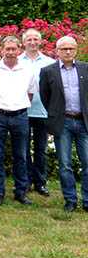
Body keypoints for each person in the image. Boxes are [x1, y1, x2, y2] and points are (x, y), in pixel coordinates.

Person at [0, 35, 37, 206]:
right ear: (1, 50)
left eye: (14, 49)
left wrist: (17, 105)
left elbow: (30, 93)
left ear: (19, 49)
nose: (10, 52)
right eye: (7, 49)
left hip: (20, 116)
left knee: (22, 155)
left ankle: (21, 192)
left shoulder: (27, 69)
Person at [40, 36, 88, 212]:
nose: (68, 51)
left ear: (75, 50)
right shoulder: (48, 71)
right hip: (63, 122)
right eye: (64, 49)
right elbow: (45, 96)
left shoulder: (85, 68)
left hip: (83, 122)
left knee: (87, 162)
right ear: (57, 51)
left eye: (71, 48)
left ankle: (87, 200)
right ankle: (70, 200)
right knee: (65, 163)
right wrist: (56, 114)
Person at [19, 28, 55, 196]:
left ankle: (40, 182)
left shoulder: (49, 62)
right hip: (22, 111)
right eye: (29, 39)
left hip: (42, 111)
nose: (32, 42)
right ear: (23, 42)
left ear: (40, 41)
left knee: (41, 149)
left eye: (36, 39)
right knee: (23, 149)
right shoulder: (17, 61)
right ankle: (25, 181)